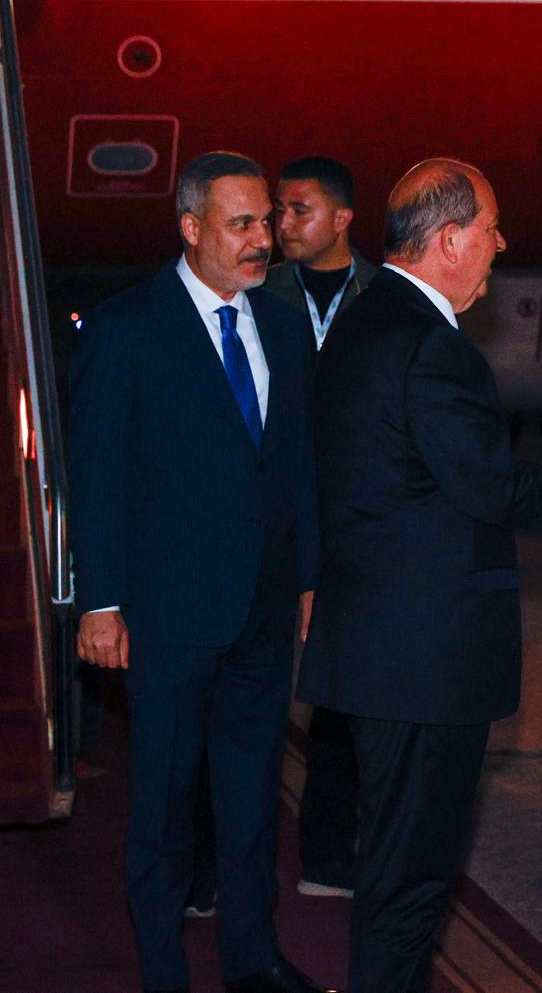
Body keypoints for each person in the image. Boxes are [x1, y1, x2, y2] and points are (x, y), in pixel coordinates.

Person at [295, 158, 542, 992]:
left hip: (376, 652)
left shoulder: (362, 321)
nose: (500, 245)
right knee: (411, 882)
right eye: (490, 229)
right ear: (447, 239)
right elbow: (488, 484)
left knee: (390, 868)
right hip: (425, 664)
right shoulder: (430, 347)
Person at [67, 151, 333, 993]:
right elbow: (97, 476)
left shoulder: (283, 326)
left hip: (262, 611)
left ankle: (254, 962)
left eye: (268, 221)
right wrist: (99, 602)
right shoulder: (125, 328)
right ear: (190, 228)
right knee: (165, 808)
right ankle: (163, 972)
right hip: (167, 615)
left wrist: (308, 577)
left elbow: (296, 466)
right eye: (242, 223)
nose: (264, 239)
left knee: (252, 803)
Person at [186, 157, 376, 919]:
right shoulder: (260, 296)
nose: (276, 231)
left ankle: (325, 855)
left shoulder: (378, 297)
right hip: (258, 528)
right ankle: (204, 870)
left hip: (347, 521)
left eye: (293, 213)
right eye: (268, 216)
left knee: (336, 695)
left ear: (342, 218)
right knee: (220, 712)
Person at [265, 155, 378, 348]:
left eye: (299, 212)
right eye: (280, 210)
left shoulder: (381, 292)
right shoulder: (261, 289)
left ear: (341, 219)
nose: (284, 224)